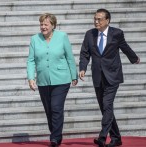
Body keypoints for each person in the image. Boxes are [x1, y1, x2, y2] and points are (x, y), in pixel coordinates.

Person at [79, 9, 140, 147]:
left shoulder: (116, 33)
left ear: (107, 20)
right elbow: (84, 53)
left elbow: (125, 47)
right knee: (105, 108)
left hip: (113, 76)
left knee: (107, 105)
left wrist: (134, 58)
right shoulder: (89, 34)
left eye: (99, 19)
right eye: (95, 18)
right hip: (97, 76)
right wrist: (82, 68)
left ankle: (102, 137)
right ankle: (116, 137)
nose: (96, 21)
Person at [26, 13, 78, 147]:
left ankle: (54, 138)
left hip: (61, 78)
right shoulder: (34, 39)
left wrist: (74, 75)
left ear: (53, 25)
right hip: (43, 80)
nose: (43, 27)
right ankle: (56, 134)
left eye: (46, 24)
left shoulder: (62, 36)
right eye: (41, 24)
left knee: (56, 107)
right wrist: (31, 78)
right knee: (49, 109)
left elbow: (69, 57)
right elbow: (31, 60)